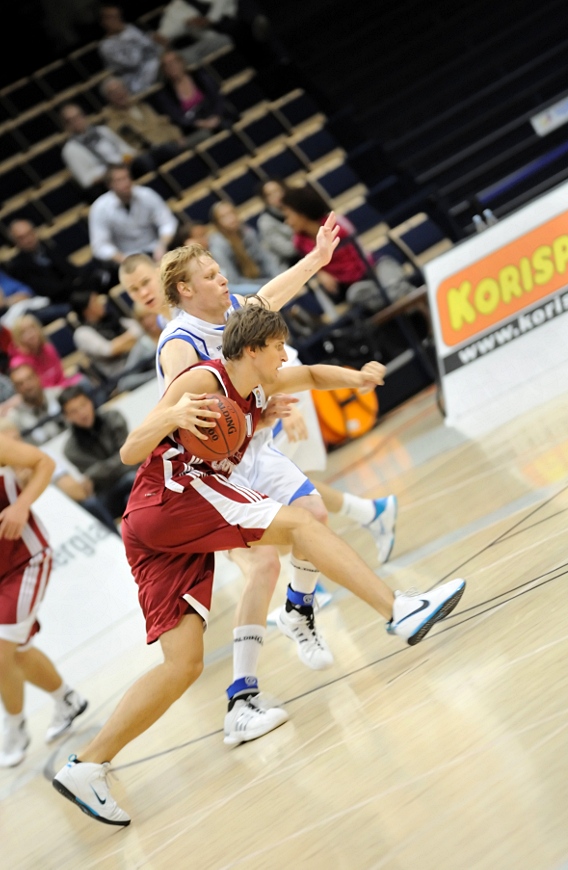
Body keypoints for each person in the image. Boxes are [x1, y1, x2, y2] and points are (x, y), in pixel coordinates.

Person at [51, 303, 465, 825]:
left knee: (184, 664)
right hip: (174, 497)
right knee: (302, 523)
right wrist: (172, 415)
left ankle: (87, 765)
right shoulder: (202, 380)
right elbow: (132, 451)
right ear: (250, 350)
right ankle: (397, 610)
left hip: (153, 531)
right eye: (277, 348)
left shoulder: (257, 387)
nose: (284, 356)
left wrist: (358, 378)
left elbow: (311, 376)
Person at [121, 240, 399, 749]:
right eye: (210, 274)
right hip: (207, 470)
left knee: (312, 512)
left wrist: (315, 261)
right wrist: (240, 418)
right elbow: (177, 423)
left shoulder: (233, 311)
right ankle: (243, 693)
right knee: (265, 563)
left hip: (250, 446)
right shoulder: (179, 344)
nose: (222, 277)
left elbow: (271, 301)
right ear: (185, 289)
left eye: (219, 269)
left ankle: (298, 609)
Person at [0, 432, 88, 768]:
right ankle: (67, 699)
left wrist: (21, 505)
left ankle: (14, 727)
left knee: (2, 650)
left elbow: (44, 462)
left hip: (24, 560)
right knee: (18, 651)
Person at [0, 418, 120, 535]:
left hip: (65, 509)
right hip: (38, 522)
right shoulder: (4, 475)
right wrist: (22, 486)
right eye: (8, 443)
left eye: (16, 439)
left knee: (91, 504)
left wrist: (38, 479)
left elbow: (78, 493)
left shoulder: (42, 456)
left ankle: (119, 541)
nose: (14, 446)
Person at [281, 183, 378, 305]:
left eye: (288, 216)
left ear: (302, 213)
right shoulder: (299, 243)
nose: (287, 222)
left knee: (386, 268)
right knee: (355, 294)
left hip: (370, 271)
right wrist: (320, 273)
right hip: (347, 288)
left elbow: (362, 251)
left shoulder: (336, 223)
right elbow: (311, 266)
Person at [58, 385, 140, 522]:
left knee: (133, 483)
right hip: (108, 493)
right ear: (67, 417)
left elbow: (128, 457)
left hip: (134, 476)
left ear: (91, 402)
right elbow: (108, 473)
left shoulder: (113, 417)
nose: (82, 413)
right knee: (91, 507)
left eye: (83, 405)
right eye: (74, 411)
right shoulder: (70, 449)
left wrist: (92, 474)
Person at [88, 164, 179, 273]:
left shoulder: (147, 194)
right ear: (110, 185)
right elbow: (100, 246)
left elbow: (168, 222)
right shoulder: (99, 208)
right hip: (126, 258)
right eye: (119, 180)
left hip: (155, 249)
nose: (126, 183)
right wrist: (124, 260)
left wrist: (162, 245)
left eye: (127, 177)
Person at [68, 286, 156, 394]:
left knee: (147, 345)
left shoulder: (110, 318)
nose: (101, 302)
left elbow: (138, 327)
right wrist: (130, 341)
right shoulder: (82, 333)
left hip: (140, 361)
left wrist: (122, 344)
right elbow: (109, 350)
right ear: (86, 310)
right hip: (121, 375)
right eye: (95, 301)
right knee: (143, 344)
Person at [6, 220, 91, 320]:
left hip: (73, 288)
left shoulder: (48, 246)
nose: (28, 239)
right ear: (15, 242)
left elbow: (71, 269)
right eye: (22, 238)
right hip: (55, 301)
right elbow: (45, 290)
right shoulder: (18, 266)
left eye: (30, 233)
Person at [153, 49, 234, 145]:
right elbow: (178, 117)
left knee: (226, 123)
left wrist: (216, 116)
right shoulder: (164, 94)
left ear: (182, 62)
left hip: (215, 115)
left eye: (173, 62)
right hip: (193, 128)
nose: (171, 67)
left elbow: (217, 97)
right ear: (163, 70)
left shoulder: (199, 76)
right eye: (166, 65)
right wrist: (202, 123)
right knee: (204, 135)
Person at [100, 75, 186, 162]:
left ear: (126, 89)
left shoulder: (141, 105)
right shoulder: (113, 120)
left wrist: (177, 136)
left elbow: (163, 122)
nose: (118, 94)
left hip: (170, 142)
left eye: (120, 89)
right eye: (113, 93)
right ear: (108, 98)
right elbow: (128, 144)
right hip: (151, 153)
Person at [207, 201, 280, 294]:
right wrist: (266, 286)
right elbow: (233, 282)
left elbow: (266, 259)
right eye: (224, 217)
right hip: (248, 290)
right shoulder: (218, 247)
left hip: (265, 280)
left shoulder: (247, 232)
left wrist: (278, 278)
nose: (231, 218)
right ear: (217, 223)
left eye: (231, 213)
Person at [97, 4, 162, 96]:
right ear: (103, 22)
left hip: (157, 71)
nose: (116, 20)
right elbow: (133, 62)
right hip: (137, 84)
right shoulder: (105, 46)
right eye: (110, 17)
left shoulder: (130, 28)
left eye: (117, 16)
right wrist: (125, 36)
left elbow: (150, 46)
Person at [8, 313, 85, 390]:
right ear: (18, 338)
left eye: (32, 329)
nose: (30, 334)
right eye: (24, 333)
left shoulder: (48, 348)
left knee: (83, 381)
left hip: (61, 386)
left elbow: (60, 375)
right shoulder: (18, 364)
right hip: (44, 394)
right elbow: (34, 390)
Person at [152, 0, 232, 67]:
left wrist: (209, 20)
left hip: (219, 25)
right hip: (185, 13)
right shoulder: (178, 8)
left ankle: (176, 62)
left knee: (224, 41)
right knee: (159, 40)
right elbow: (160, 38)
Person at [7, 364, 65, 445]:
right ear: (16, 389)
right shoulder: (14, 418)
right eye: (20, 384)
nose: (27, 386)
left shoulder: (60, 395)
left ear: (38, 377)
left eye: (29, 379)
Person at [256, 178, 300, 273]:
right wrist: (308, 241)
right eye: (270, 194)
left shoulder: (297, 205)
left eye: (277, 190)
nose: (276, 196)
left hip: (309, 250)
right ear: (265, 200)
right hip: (289, 266)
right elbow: (288, 251)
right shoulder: (265, 222)